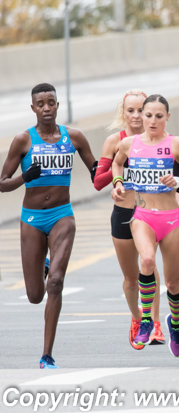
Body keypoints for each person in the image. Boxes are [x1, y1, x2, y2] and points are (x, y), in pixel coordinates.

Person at [0, 83, 97, 368]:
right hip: (31, 218)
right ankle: (42, 264)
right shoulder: (23, 140)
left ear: (57, 105)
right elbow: (2, 184)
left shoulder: (74, 137)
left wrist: (117, 173)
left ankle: (47, 355)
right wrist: (25, 177)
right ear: (33, 108)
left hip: (62, 215)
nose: (46, 108)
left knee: (55, 282)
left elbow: (96, 171)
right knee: (34, 296)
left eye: (50, 102)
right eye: (40, 103)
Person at [111, 94, 179, 358]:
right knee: (147, 261)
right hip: (142, 216)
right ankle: (147, 321)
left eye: (158, 116)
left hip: (171, 219)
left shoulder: (177, 145)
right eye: (147, 115)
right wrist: (118, 183)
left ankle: (175, 324)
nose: (151, 120)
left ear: (167, 117)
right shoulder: (130, 144)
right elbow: (118, 163)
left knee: (173, 282)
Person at [93, 89, 165, 349]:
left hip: (149, 212)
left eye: (140, 110)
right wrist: (116, 174)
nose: (136, 116)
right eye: (130, 111)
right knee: (131, 277)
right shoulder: (116, 141)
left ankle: (155, 324)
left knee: (150, 265)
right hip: (123, 212)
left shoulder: (158, 141)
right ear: (123, 113)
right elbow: (97, 181)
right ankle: (137, 318)